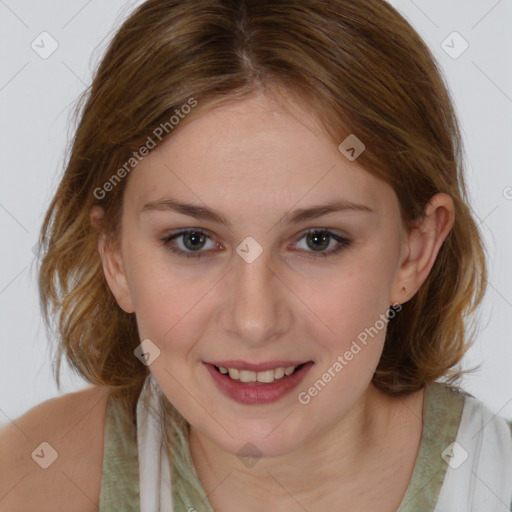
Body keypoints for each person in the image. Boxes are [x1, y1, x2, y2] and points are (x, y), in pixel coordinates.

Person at [1, 0, 511, 511]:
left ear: (414, 251)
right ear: (114, 256)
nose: (253, 320)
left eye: (319, 240)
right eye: (192, 240)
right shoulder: (33, 479)